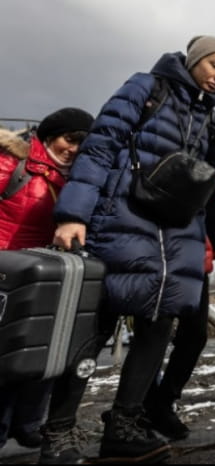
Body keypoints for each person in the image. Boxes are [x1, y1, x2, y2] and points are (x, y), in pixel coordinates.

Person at [40, 35, 215, 464]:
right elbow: (102, 143)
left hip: (177, 236)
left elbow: (210, 186)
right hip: (122, 218)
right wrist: (72, 213)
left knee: (158, 325)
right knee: (96, 327)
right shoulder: (146, 88)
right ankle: (57, 434)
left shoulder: (213, 122)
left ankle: (124, 427)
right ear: (195, 60)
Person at [0, 108, 94, 452]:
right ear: (50, 134)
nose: (73, 149)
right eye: (69, 139)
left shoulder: (77, 181)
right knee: (5, 356)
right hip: (6, 274)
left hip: (45, 277)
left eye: (81, 144)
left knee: (41, 354)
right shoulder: (12, 163)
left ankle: (27, 424)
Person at [143, 121, 215, 441]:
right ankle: (140, 406)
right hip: (166, 262)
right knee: (152, 336)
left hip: (199, 267)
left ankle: (162, 401)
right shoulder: (183, 166)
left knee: (194, 336)